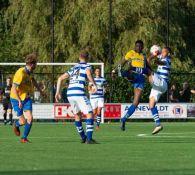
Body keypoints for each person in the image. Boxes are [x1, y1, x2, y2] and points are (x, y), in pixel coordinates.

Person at [55, 50, 98, 144]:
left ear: (79, 57)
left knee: (77, 115)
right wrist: (94, 84)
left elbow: (60, 78)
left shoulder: (74, 68)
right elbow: (89, 74)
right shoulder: (87, 66)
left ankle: (83, 137)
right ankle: (89, 139)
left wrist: (57, 92)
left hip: (69, 93)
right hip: (78, 92)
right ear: (88, 58)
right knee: (90, 113)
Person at [10, 53, 45, 143]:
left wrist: (41, 91)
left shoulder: (30, 72)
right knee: (23, 121)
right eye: (36, 63)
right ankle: (16, 124)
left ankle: (24, 138)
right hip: (15, 98)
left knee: (30, 118)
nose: (36, 65)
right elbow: (14, 88)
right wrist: (18, 100)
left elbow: (33, 81)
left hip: (26, 98)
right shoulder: (20, 73)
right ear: (32, 64)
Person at [116, 40, 150, 131]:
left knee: (136, 102)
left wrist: (152, 75)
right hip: (134, 74)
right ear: (135, 46)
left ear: (142, 47)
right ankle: (125, 74)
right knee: (130, 71)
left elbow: (148, 68)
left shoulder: (144, 56)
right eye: (137, 46)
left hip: (141, 79)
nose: (138, 48)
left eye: (140, 46)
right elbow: (122, 61)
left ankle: (124, 119)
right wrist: (116, 70)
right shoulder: (131, 53)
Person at [147, 47, 171, 134]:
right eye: (162, 51)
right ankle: (158, 124)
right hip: (158, 85)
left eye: (164, 51)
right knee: (151, 105)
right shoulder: (161, 57)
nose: (162, 52)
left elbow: (161, 62)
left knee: (148, 69)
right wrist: (154, 55)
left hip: (162, 82)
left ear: (168, 53)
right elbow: (155, 59)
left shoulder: (167, 60)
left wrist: (154, 57)